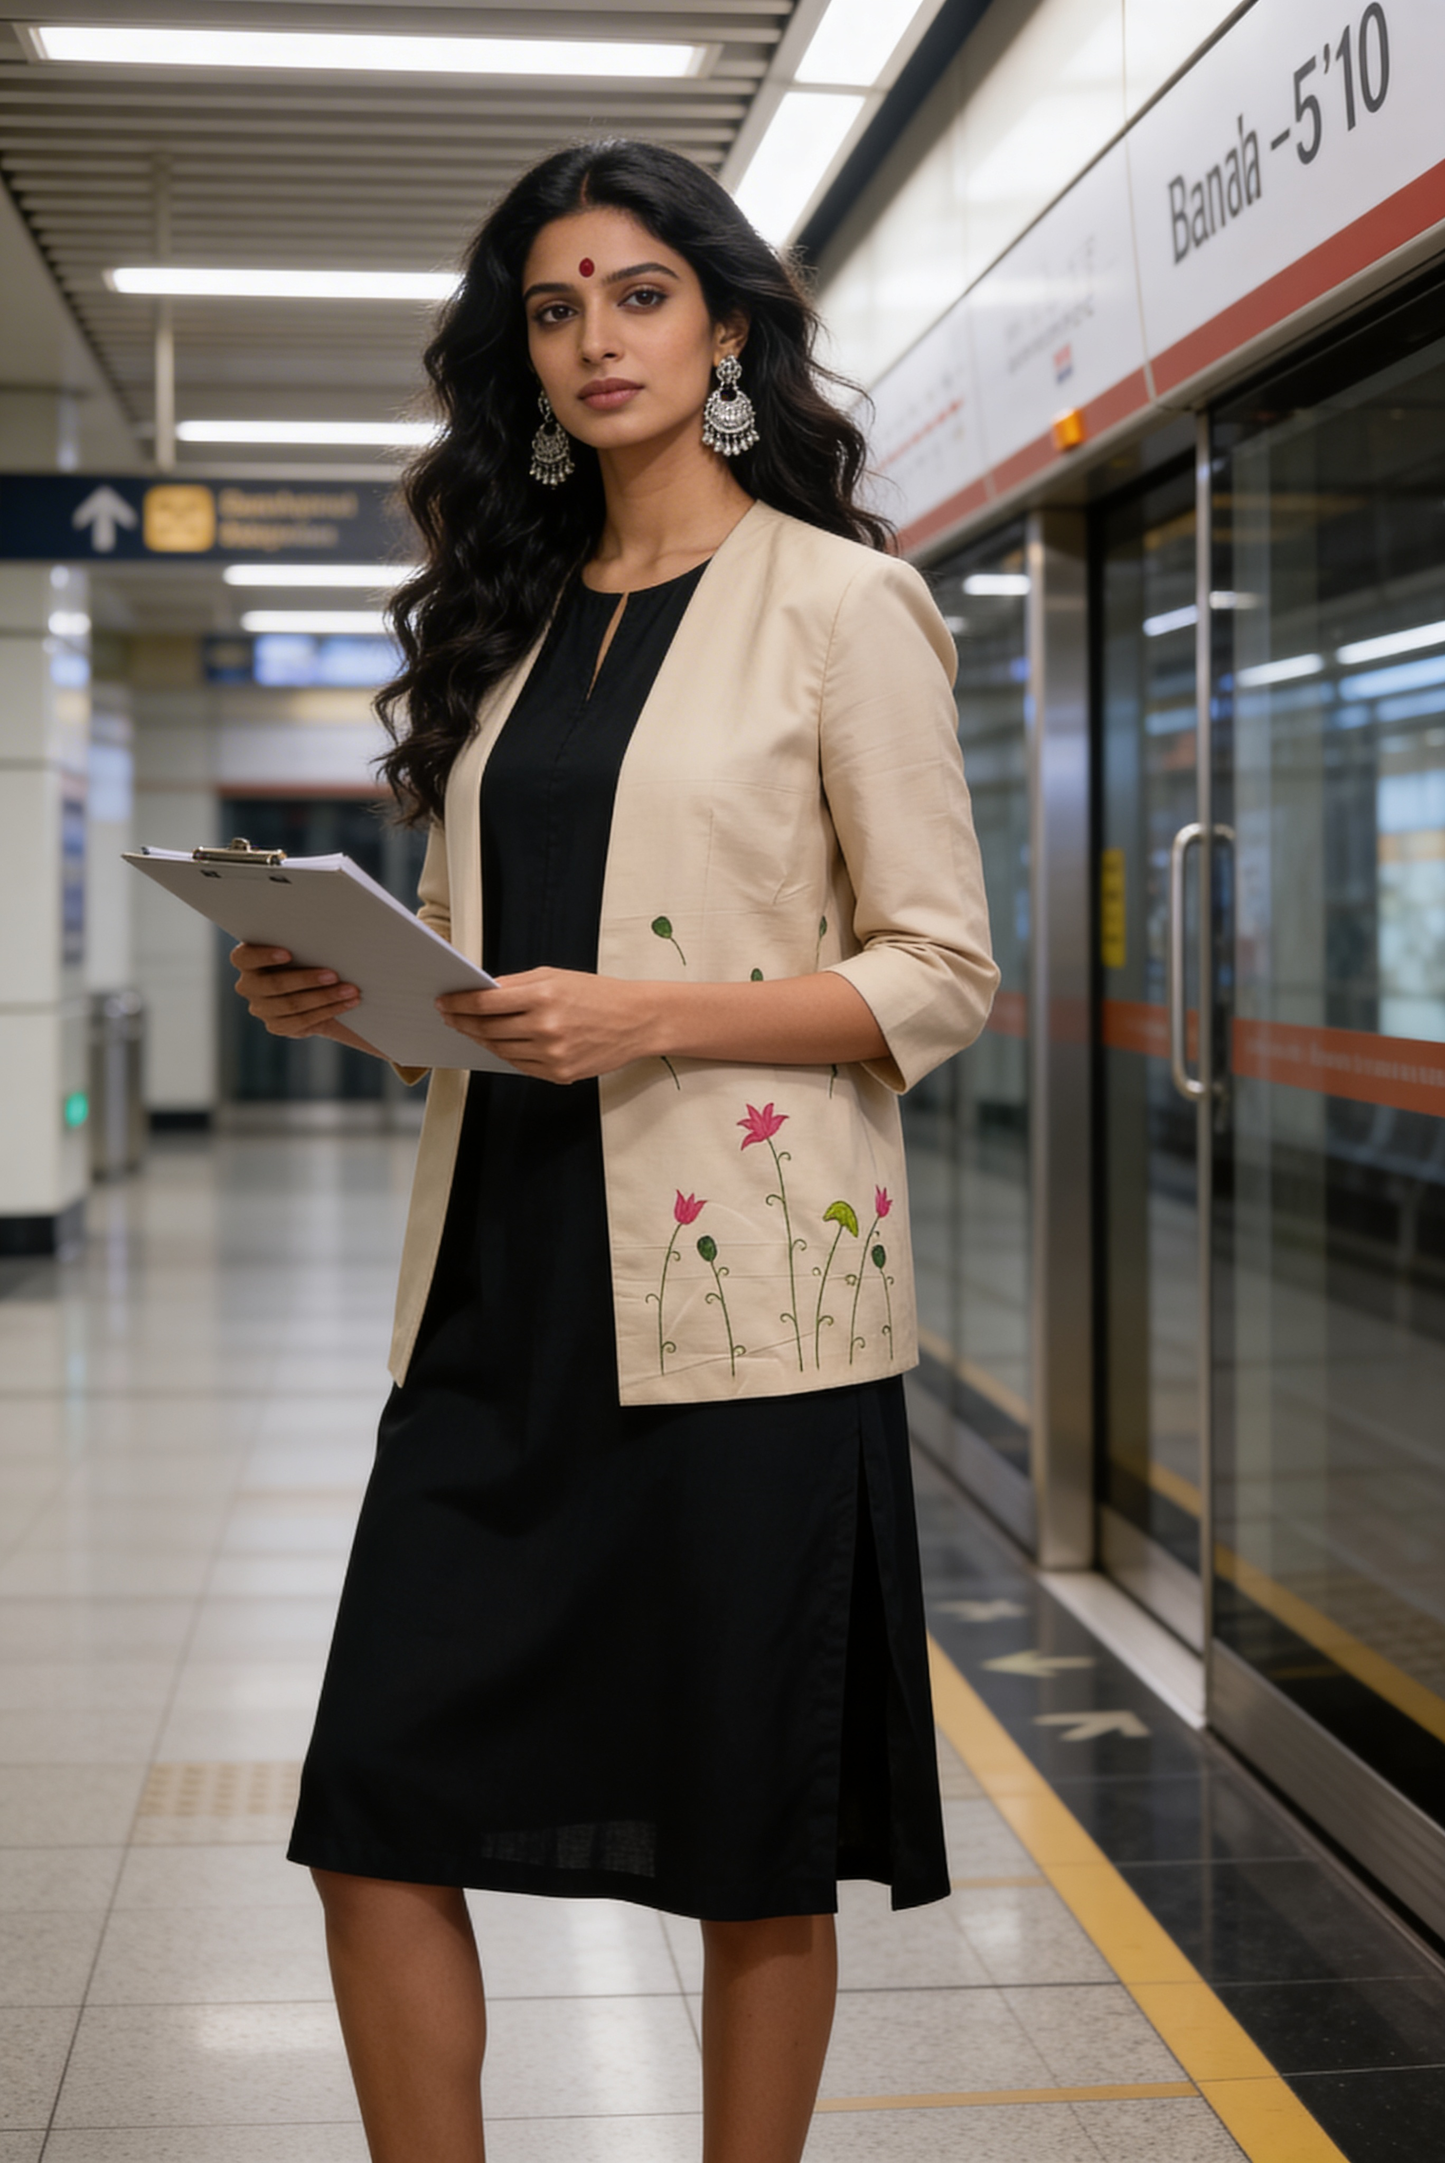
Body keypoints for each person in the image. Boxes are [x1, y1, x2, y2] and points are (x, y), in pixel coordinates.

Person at [229, 138, 997, 2163]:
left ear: (722, 327)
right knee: (370, 1807)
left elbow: (932, 972)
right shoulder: (508, 632)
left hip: (740, 1315)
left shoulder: (843, 608)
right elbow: (491, 996)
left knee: (746, 1841)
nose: (593, 338)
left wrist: (644, 1014)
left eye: (637, 294)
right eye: (554, 308)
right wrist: (362, 998)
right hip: (498, 1312)